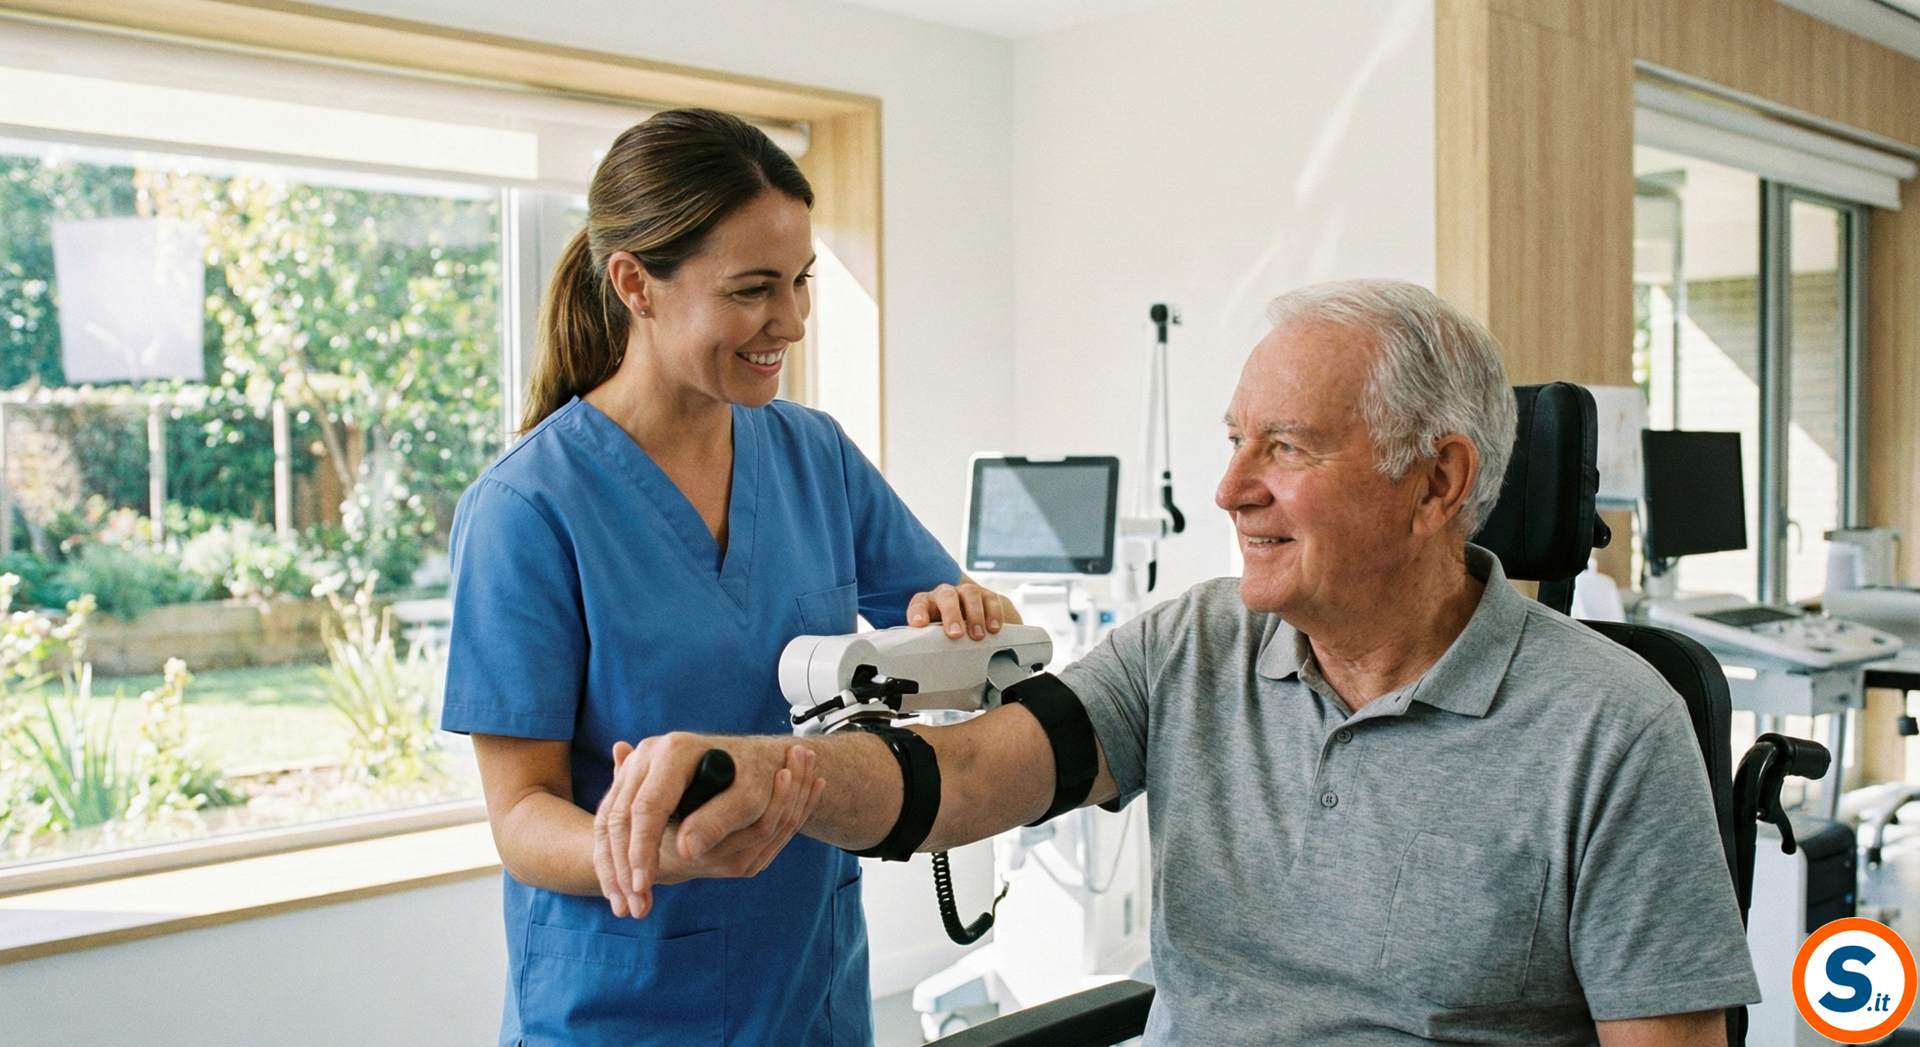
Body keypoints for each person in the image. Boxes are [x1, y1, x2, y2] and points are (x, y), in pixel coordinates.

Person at [601, 279, 1764, 1045]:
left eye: (1287, 448)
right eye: (1233, 441)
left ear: (1437, 483)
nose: (1229, 488)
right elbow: (957, 780)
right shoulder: (1193, 642)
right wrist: (776, 776)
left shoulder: (1613, 727)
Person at [440, 108, 1012, 1047]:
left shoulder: (813, 454)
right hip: (628, 1006)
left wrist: (961, 620)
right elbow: (522, 815)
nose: (788, 321)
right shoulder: (528, 508)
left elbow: (963, 635)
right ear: (636, 284)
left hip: (811, 989)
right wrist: (659, 853)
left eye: (800, 283)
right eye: (752, 290)